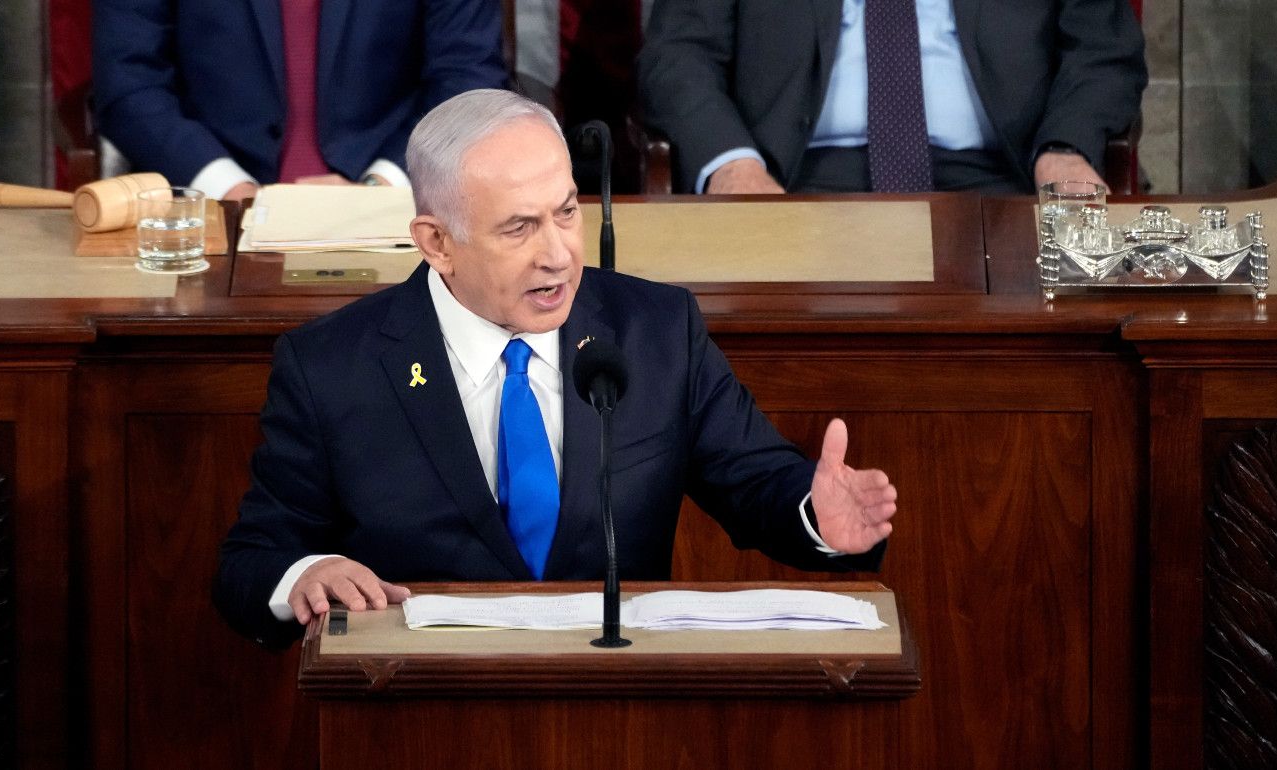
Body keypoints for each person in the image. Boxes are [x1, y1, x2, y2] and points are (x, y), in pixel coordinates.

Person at [214, 89, 897, 645]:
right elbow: (250, 564)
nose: (560, 254)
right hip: (422, 715)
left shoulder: (656, 330)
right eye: (519, 227)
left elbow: (758, 482)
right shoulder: (333, 366)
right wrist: (305, 574)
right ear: (436, 243)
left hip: (618, 709)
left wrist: (817, 513)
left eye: (567, 212)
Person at [637, 0, 1147, 195]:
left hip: (1004, 185)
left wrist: (1065, 149)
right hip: (791, 186)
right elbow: (678, 54)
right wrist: (732, 166)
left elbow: (1103, 50)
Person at [91, 0, 508, 200]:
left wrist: (379, 188)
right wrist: (230, 190)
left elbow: (468, 79)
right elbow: (128, 84)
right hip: (208, 216)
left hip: (403, 208)